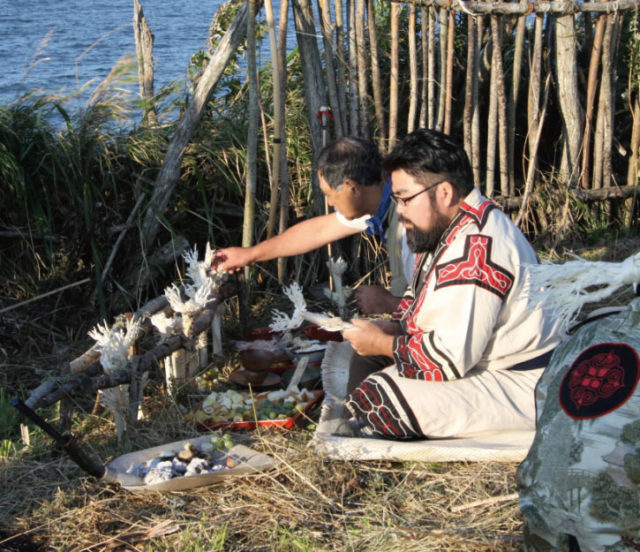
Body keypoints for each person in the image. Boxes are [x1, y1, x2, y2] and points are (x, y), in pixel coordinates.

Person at [340, 128, 564, 439]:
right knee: (367, 356)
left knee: (377, 401)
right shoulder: (458, 224)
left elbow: (449, 359)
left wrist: (384, 343)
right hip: (485, 358)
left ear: (444, 192)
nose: (400, 211)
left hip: (523, 379)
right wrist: (393, 332)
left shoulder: (476, 246)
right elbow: (436, 303)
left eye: (404, 198)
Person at [211, 136, 414, 314]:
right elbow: (318, 231)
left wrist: (391, 304)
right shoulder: (379, 200)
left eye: (329, 195)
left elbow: (439, 308)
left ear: (352, 187)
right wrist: (250, 254)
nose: (330, 203)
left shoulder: (411, 225)